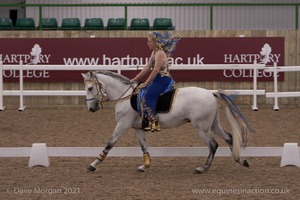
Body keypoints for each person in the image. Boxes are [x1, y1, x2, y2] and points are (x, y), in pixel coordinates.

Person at [131, 31, 180, 132]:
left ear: (155, 42)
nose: (147, 43)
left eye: (149, 41)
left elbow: (155, 70)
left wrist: (146, 83)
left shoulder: (160, 53)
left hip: (163, 80)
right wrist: (136, 78)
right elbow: (147, 67)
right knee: (141, 92)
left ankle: (155, 122)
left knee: (147, 96)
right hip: (157, 79)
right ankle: (145, 120)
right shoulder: (154, 53)